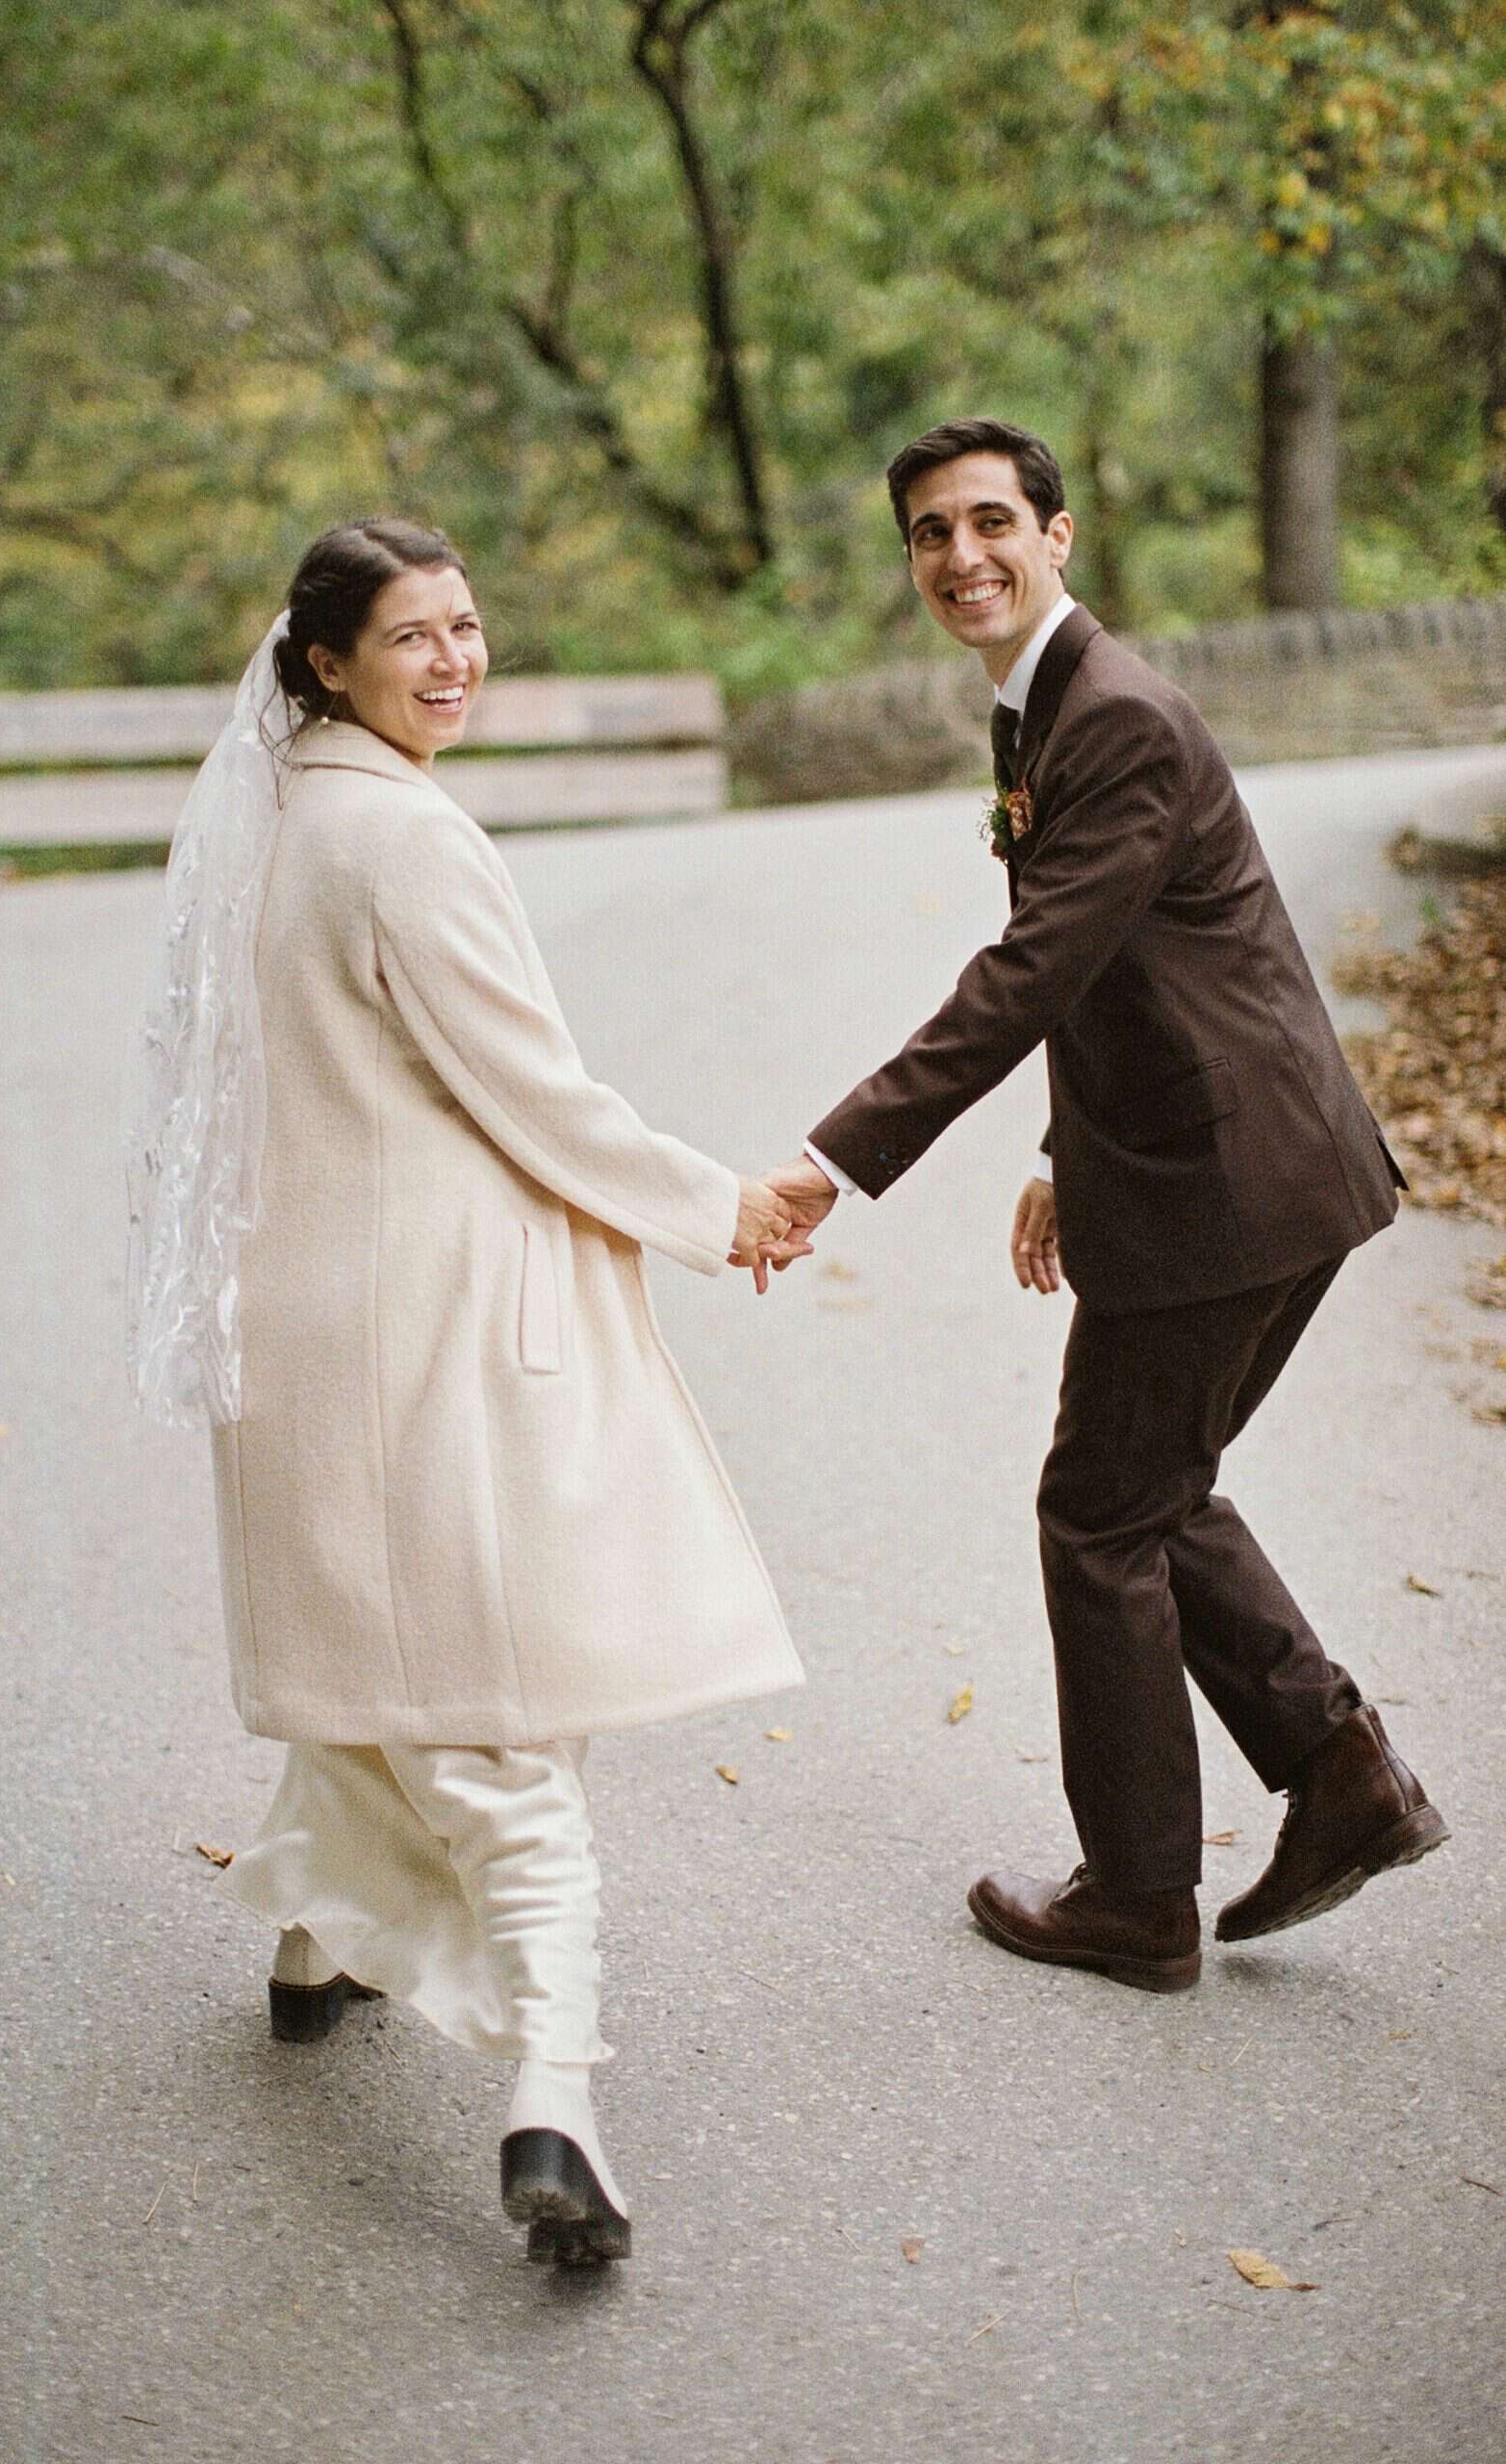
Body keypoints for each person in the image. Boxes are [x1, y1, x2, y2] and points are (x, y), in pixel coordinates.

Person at [127, 517, 803, 2265]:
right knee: (506, 1727)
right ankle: (553, 2110)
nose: (454, 659)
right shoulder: (402, 842)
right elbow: (537, 1093)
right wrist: (718, 1207)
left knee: (374, 1664)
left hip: (298, 1328)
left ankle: (310, 1954)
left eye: (470, 627)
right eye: (413, 636)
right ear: (326, 660)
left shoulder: (275, 822)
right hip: (424, 1332)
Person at [762, 418, 1447, 1993]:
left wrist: (836, 1158)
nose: (962, 557)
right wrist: (1070, 1157)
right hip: (1234, 1165)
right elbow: (1131, 962)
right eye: (931, 534)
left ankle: (1140, 1899)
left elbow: (1032, 972)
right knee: (1152, 1484)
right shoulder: (1045, 710)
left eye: (993, 522)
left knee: (1100, 1512)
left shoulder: (1114, 716)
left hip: (1235, 1183)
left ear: (1060, 536)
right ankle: (1343, 1780)